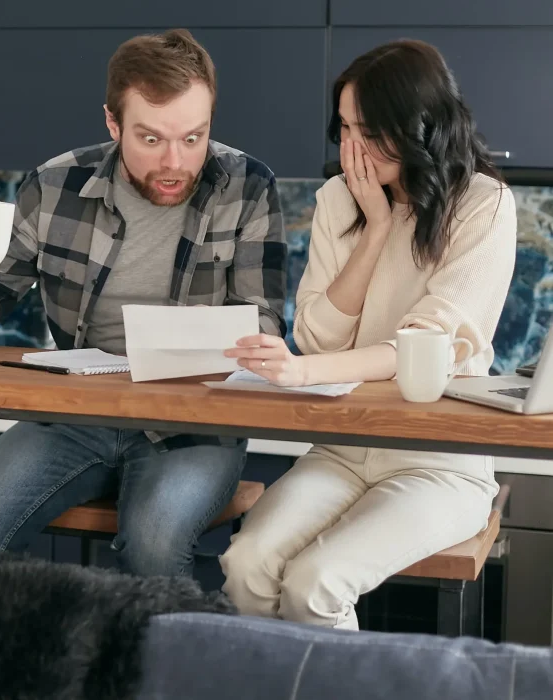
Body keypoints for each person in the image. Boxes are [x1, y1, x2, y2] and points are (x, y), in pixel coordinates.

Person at [0, 29, 287, 577]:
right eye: (150, 139)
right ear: (112, 123)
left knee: (153, 546)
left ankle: (171, 664)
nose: (175, 162)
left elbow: (262, 324)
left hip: (195, 421)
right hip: (77, 414)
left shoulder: (247, 185)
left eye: (194, 138)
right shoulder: (55, 186)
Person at [220, 39, 516, 629]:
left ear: (420, 127)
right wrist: (375, 227)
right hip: (344, 445)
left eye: (371, 131)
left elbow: (422, 351)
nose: (351, 148)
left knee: (315, 584)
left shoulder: (485, 205)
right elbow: (321, 338)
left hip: (440, 460)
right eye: (346, 128)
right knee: (246, 566)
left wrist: (300, 372)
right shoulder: (339, 200)